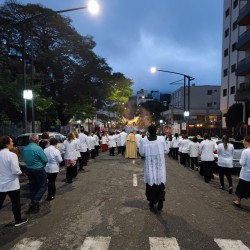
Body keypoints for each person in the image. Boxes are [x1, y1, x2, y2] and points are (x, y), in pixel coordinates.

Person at [139, 124, 169, 211]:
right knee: (160, 184)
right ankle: (160, 197)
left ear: (148, 131)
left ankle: (152, 202)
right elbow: (166, 150)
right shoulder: (161, 139)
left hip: (150, 166)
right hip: (159, 166)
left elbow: (142, 153)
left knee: (150, 186)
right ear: (156, 131)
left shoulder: (144, 141)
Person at [0, 136, 28, 226]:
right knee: (15, 202)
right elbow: (16, 170)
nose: (13, 143)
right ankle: (18, 220)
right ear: (7, 144)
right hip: (12, 184)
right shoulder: (12, 155)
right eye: (11, 142)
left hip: (1, 183)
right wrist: (21, 172)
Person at [23, 133, 48, 212]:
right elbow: (45, 159)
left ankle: (34, 204)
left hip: (29, 169)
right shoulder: (38, 148)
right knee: (43, 186)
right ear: (36, 140)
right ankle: (35, 201)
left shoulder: (25, 148)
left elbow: (25, 160)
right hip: (38, 169)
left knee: (33, 187)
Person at [233, 135, 250, 207]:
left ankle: (238, 201)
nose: (243, 142)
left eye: (244, 141)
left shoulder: (245, 151)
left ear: (247, 142)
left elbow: (242, 163)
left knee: (241, 189)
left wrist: (240, 160)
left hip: (245, 174)